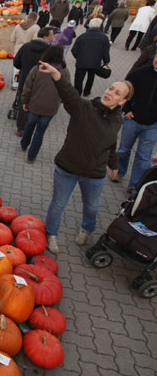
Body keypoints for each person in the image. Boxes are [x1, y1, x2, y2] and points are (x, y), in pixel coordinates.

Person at [44, 74, 134, 254]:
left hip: (94, 173)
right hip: (67, 168)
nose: (110, 93)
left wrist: (113, 164)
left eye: (117, 93)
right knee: (58, 204)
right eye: (110, 88)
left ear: (122, 101)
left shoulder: (117, 119)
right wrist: (57, 76)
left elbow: (111, 143)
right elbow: (69, 93)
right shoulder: (84, 107)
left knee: (91, 206)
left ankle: (86, 230)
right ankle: (51, 234)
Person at [112, 53, 157, 193]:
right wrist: (127, 110)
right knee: (124, 149)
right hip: (132, 119)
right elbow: (126, 92)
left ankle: (135, 184)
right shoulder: (139, 73)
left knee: (144, 156)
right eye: (156, 57)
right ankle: (119, 171)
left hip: (153, 124)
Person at [20, 45, 69, 163]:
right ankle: (31, 157)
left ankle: (24, 144)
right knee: (40, 131)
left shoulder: (38, 68)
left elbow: (28, 87)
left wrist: (25, 101)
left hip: (34, 105)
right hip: (50, 108)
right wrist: (59, 101)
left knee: (29, 125)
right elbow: (67, 89)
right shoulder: (64, 72)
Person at [13, 27, 54, 135]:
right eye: (51, 36)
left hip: (25, 79)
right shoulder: (50, 50)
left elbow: (16, 62)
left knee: (23, 102)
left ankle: (21, 128)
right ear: (45, 37)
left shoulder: (26, 46)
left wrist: (23, 67)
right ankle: (31, 126)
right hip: (42, 83)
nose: (52, 38)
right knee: (37, 102)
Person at [71, 18, 110, 96]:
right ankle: (87, 92)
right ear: (99, 26)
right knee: (91, 77)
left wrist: (78, 57)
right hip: (95, 62)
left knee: (79, 78)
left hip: (81, 62)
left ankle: (77, 93)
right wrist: (106, 60)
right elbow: (105, 51)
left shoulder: (82, 36)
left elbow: (74, 50)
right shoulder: (104, 37)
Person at [10, 12, 40, 90]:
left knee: (16, 68)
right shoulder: (36, 28)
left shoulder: (18, 26)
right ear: (35, 19)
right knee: (27, 68)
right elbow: (35, 40)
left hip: (18, 49)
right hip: (29, 51)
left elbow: (12, 39)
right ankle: (26, 85)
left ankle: (15, 84)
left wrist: (16, 45)